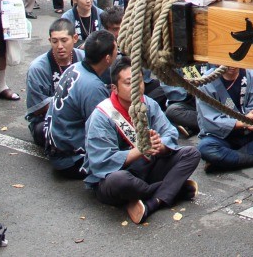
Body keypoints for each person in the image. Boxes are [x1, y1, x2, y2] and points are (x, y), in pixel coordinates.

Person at [84, 56, 201, 224]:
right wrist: (139, 150)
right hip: (118, 177)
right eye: (129, 83)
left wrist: (162, 146)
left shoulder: (149, 104)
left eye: (139, 81)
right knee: (119, 180)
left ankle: (152, 203)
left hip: (147, 169)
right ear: (114, 88)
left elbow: (168, 132)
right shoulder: (102, 116)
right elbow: (101, 162)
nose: (136, 87)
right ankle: (173, 189)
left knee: (191, 153)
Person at [45, 30, 117, 177]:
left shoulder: (74, 67)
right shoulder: (93, 87)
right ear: (108, 58)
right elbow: (103, 130)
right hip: (71, 160)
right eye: (116, 48)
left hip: (57, 146)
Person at [196, 65, 253, 171]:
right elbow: (208, 121)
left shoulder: (251, 74)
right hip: (222, 136)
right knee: (205, 148)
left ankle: (225, 160)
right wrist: (242, 122)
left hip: (248, 132)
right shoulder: (206, 82)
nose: (231, 65)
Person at [25, 19, 83, 146]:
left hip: (80, 115)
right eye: (55, 41)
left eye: (64, 40)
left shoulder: (83, 59)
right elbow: (37, 108)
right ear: (49, 41)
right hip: (49, 118)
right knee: (46, 132)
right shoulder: (38, 68)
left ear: (75, 38)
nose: (59, 46)